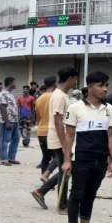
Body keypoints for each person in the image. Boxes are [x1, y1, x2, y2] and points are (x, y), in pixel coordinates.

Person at [62, 71, 112, 223]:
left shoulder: (108, 108)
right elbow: (69, 135)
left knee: (90, 195)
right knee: (77, 194)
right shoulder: (75, 108)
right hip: (81, 158)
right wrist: (67, 160)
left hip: (100, 159)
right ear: (90, 87)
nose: (105, 89)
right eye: (101, 85)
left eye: (106, 85)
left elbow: (110, 135)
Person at [31, 67, 79, 214]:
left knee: (66, 170)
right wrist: (65, 143)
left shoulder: (61, 94)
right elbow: (58, 121)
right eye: (76, 79)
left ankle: (41, 191)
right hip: (59, 139)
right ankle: (62, 205)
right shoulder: (59, 96)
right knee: (66, 171)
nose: (76, 82)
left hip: (60, 138)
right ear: (70, 79)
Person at [36, 76, 57, 182]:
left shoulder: (39, 99)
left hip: (41, 131)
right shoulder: (56, 97)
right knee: (57, 157)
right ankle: (48, 176)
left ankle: (44, 177)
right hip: (52, 131)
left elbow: (38, 118)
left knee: (45, 157)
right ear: (54, 84)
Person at [0, 77, 20, 166]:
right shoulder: (3, 94)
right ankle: (3, 159)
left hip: (14, 120)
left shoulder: (10, 94)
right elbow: (3, 107)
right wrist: (6, 121)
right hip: (6, 121)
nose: (15, 84)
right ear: (10, 83)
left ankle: (11, 158)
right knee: (5, 140)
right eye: (14, 82)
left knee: (15, 139)